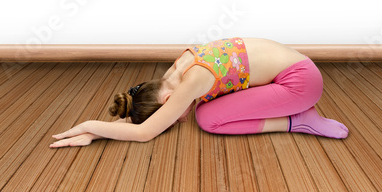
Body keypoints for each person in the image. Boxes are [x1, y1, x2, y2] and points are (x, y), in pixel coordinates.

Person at [49, 37, 348, 148]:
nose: (178, 119)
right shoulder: (175, 72)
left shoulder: (192, 82)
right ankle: (293, 111)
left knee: (207, 119)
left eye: (172, 116)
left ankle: (299, 121)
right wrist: (101, 134)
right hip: (292, 71)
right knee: (205, 112)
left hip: (301, 83)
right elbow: (144, 122)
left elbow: (144, 133)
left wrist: (89, 125)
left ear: (167, 101)